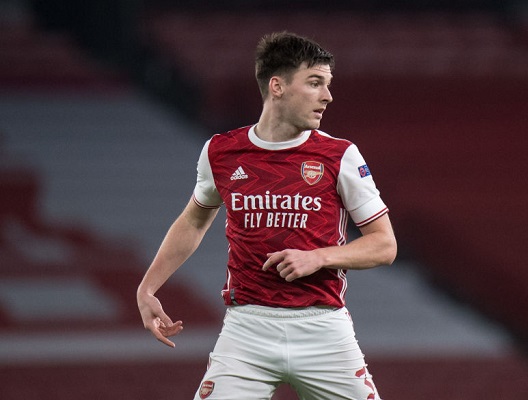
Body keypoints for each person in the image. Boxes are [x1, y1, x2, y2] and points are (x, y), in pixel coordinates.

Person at [136, 31, 397, 400]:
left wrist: (319, 257)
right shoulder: (221, 152)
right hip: (247, 330)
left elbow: (384, 245)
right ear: (277, 86)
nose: (327, 95)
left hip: (322, 329)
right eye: (315, 83)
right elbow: (193, 221)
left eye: (327, 84)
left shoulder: (340, 156)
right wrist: (147, 288)